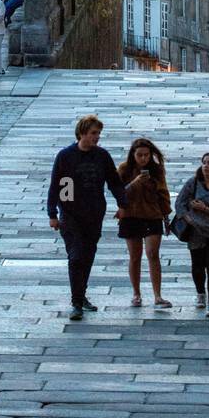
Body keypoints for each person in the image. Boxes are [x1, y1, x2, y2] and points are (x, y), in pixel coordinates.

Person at [46, 114, 128, 320]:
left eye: (98, 133)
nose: (97, 137)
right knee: (75, 257)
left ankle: (81, 295)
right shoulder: (65, 156)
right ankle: (76, 302)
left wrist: (122, 204)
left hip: (94, 213)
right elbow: (57, 185)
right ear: (82, 133)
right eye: (93, 133)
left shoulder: (102, 156)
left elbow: (114, 182)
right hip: (71, 215)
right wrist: (53, 213)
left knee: (88, 255)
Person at [172, 151, 209, 318]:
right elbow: (180, 203)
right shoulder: (193, 183)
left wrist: (206, 209)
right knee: (197, 264)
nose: (206, 166)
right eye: (204, 162)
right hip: (195, 231)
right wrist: (187, 217)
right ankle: (200, 293)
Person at [115, 138, 172, 308]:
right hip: (131, 215)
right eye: (139, 155)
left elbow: (163, 193)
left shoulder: (156, 170)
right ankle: (136, 293)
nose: (143, 158)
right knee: (135, 256)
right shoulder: (124, 169)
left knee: (153, 253)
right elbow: (118, 192)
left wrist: (166, 216)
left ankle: (157, 295)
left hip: (152, 215)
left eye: (146, 155)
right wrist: (135, 182)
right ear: (133, 155)